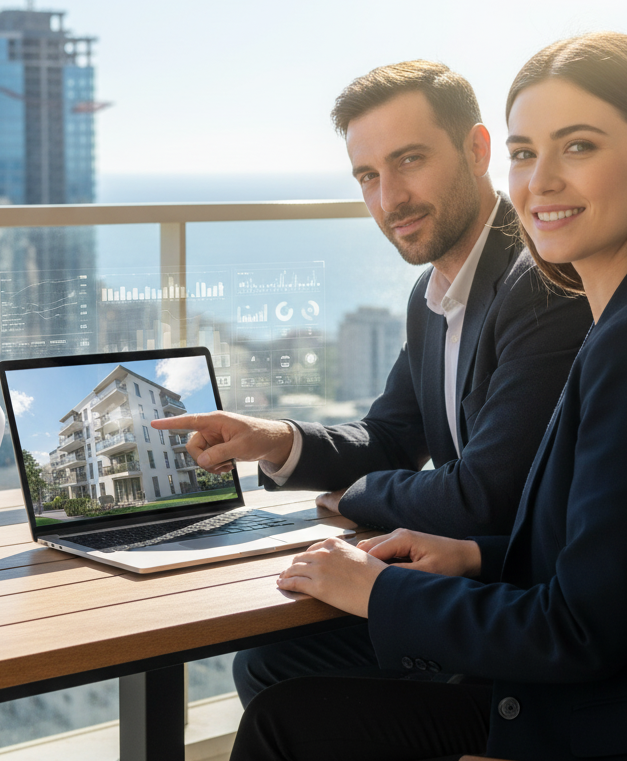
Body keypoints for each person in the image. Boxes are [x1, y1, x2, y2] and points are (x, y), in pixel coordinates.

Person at [216, 31, 627, 761]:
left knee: (288, 732)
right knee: (290, 713)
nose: (542, 181)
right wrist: (473, 558)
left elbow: (579, 628)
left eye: (579, 146)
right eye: (529, 153)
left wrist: (377, 592)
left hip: (617, 748)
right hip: (607, 698)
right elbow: (616, 561)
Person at [154, 60, 592, 705]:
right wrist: (275, 440)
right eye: (368, 176)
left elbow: (486, 498)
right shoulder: (432, 292)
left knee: (279, 672)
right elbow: (393, 433)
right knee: (271, 661)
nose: (390, 199)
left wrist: (354, 494)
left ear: (477, 150)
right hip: (473, 573)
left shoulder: (542, 283)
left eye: (409, 160)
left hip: (523, 604)